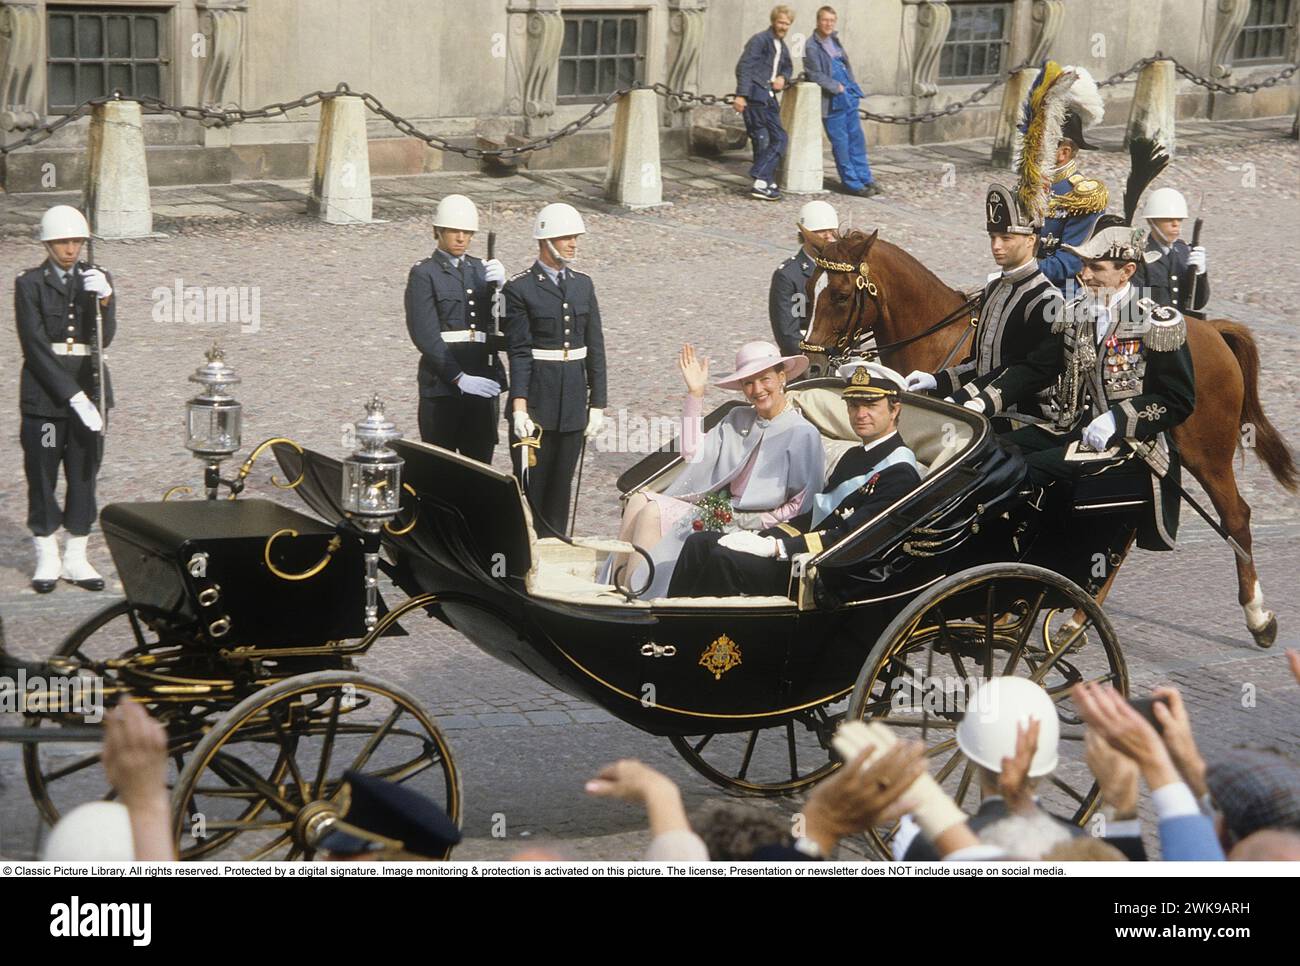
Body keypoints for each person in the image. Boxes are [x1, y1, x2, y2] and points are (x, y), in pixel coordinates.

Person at [1003, 225, 1195, 553]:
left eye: (1097, 268)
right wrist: (975, 398)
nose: (1085, 275)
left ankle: (1035, 551)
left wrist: (1117, 420)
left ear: (1127, 272)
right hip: (1074, 428)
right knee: (996, 450)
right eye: (1083, 266)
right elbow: (1038, 368)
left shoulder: (1155, 322)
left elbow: (1177, 400)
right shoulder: (1077, 312)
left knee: (1030, 469)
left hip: (1131, 444)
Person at [667, 363, 919, 598]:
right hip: (810, 553)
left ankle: (705, 640)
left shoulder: (899, 473)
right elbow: (815, 516)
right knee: (700, 543)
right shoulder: (855, 455)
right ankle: (669, 621)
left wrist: (778, 547)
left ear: (894, 408)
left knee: (725, 558)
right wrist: (765, 537)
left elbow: (852, 536)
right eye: (853, 405)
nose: (860, 414)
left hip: (832, 571)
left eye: (871, 404)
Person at [607, 341, 823, 598]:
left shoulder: (802, 433)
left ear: (782, 377)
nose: (757, 390)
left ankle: (637, 596)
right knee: (638, 500)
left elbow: (801, 506)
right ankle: (614, 588)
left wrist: (750, 520)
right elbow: (692, 453)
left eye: (765, 379)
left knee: (653, 512)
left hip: (757, 529)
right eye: (748, 383)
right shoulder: (737, 418)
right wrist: (695, 395)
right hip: (719, 514)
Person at [905, 183, 1064, 431]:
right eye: (993, 237)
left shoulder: (1046, 300)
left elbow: (1027, 373)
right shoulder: (994, 289)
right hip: (982, 406)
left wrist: (973, 401)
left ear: (1030, 240)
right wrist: (937, 381)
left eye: (1006, 238)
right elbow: (980, 363)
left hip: (1023, 417)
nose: (996, 246)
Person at [16, 204, 114, 594]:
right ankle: (46, 553)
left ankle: (76, 554)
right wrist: (73, 398)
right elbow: (35, 347)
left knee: (83, 473)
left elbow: (102, 340)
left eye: (76, 241)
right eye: (62, 242)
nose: (70, 249)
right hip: (46, 402)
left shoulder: (96, 278)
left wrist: (105, 301)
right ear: (47, 243)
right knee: (42, 472)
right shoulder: (30, 284)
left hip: (91, 391)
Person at [503, 202, 607, 538]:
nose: (573, 243)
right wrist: (519, 407)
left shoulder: (583, 285)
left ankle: (554, 555)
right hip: (537, 404)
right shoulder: (519, 289)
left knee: (561, 491)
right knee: (531, 491)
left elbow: (596, 347)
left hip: (573, 405)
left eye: (575, 237)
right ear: (545, 241)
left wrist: (598, 405)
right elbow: (519, 352)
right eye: (566, 237)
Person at [404, 194, 507, 463]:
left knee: (482, 466)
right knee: (442, 466)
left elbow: (503, 326)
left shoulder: (480, 269)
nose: (461, 238)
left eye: (467, 232)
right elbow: (425, 335)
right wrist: (459, 377)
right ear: (437, 232)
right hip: (443, 385)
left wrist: (504, 291)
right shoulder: (424, 273)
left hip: (482, 378)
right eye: (454, 231)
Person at [1016, 62, 1109, 289]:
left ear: (1063, 153)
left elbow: (1071, 261)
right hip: (1021, 278)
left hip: (1063, 290)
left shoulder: (1083, 195)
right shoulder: (1026, 187)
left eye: (1040, 145)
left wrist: (1021, 270)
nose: (1031, 152)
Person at [802, 6, 879, 198]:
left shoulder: (834, 40)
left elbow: (845, 65)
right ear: (818, 21)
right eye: (825, 20)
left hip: (849, 98)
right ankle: (852, 183)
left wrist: (851, 86)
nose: (828, 24)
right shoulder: (810, 46)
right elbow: (814, 74)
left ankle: (865, 177)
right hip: (832, 101)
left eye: (831, 20)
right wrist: (836, 87)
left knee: (856, 140)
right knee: (841, 144)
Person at [734, 5, 795, 201]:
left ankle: (762, 179)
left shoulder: (782, 46)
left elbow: (787, 66)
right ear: (773, 21)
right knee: (762, 138)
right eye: (780, 22)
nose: (783, 26)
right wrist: (741, 95)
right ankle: (763, 180)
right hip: (755, 96)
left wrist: (783, 78)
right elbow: (744, 67)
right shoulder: (760, 40)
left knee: (778, 138)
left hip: (768, 96)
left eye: (787, 23)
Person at [769, 201, 839, 357]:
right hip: (808, 359)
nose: (828, 236)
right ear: (805, 234)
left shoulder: (843, 270)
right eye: (820, 231)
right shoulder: (788, 275)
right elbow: (788, 335)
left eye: (831, 230)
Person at [1138, 186, 1211, 316]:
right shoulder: (1139, 255)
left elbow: (1197, 304)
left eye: (1179, 219)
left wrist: (1201, 275)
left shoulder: (1184, 251)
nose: (1175, 224)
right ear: (1151, 221)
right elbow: (1134, 306)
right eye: (1168, 219)